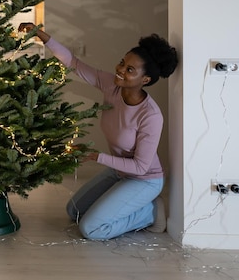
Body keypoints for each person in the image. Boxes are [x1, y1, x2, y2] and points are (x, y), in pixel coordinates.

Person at [34, 27, 178, 240]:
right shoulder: (112, 86)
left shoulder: (150, 115)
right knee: (74, 211)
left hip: (144, 180)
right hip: (119, 172)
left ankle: (151, 213)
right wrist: (40, 34)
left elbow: (140, 166)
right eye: (122, 62)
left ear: (145, 79)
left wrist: (95, 156)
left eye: (130, 70)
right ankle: (136, 204)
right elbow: (73, 63)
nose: (120, 70)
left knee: (91, 229)